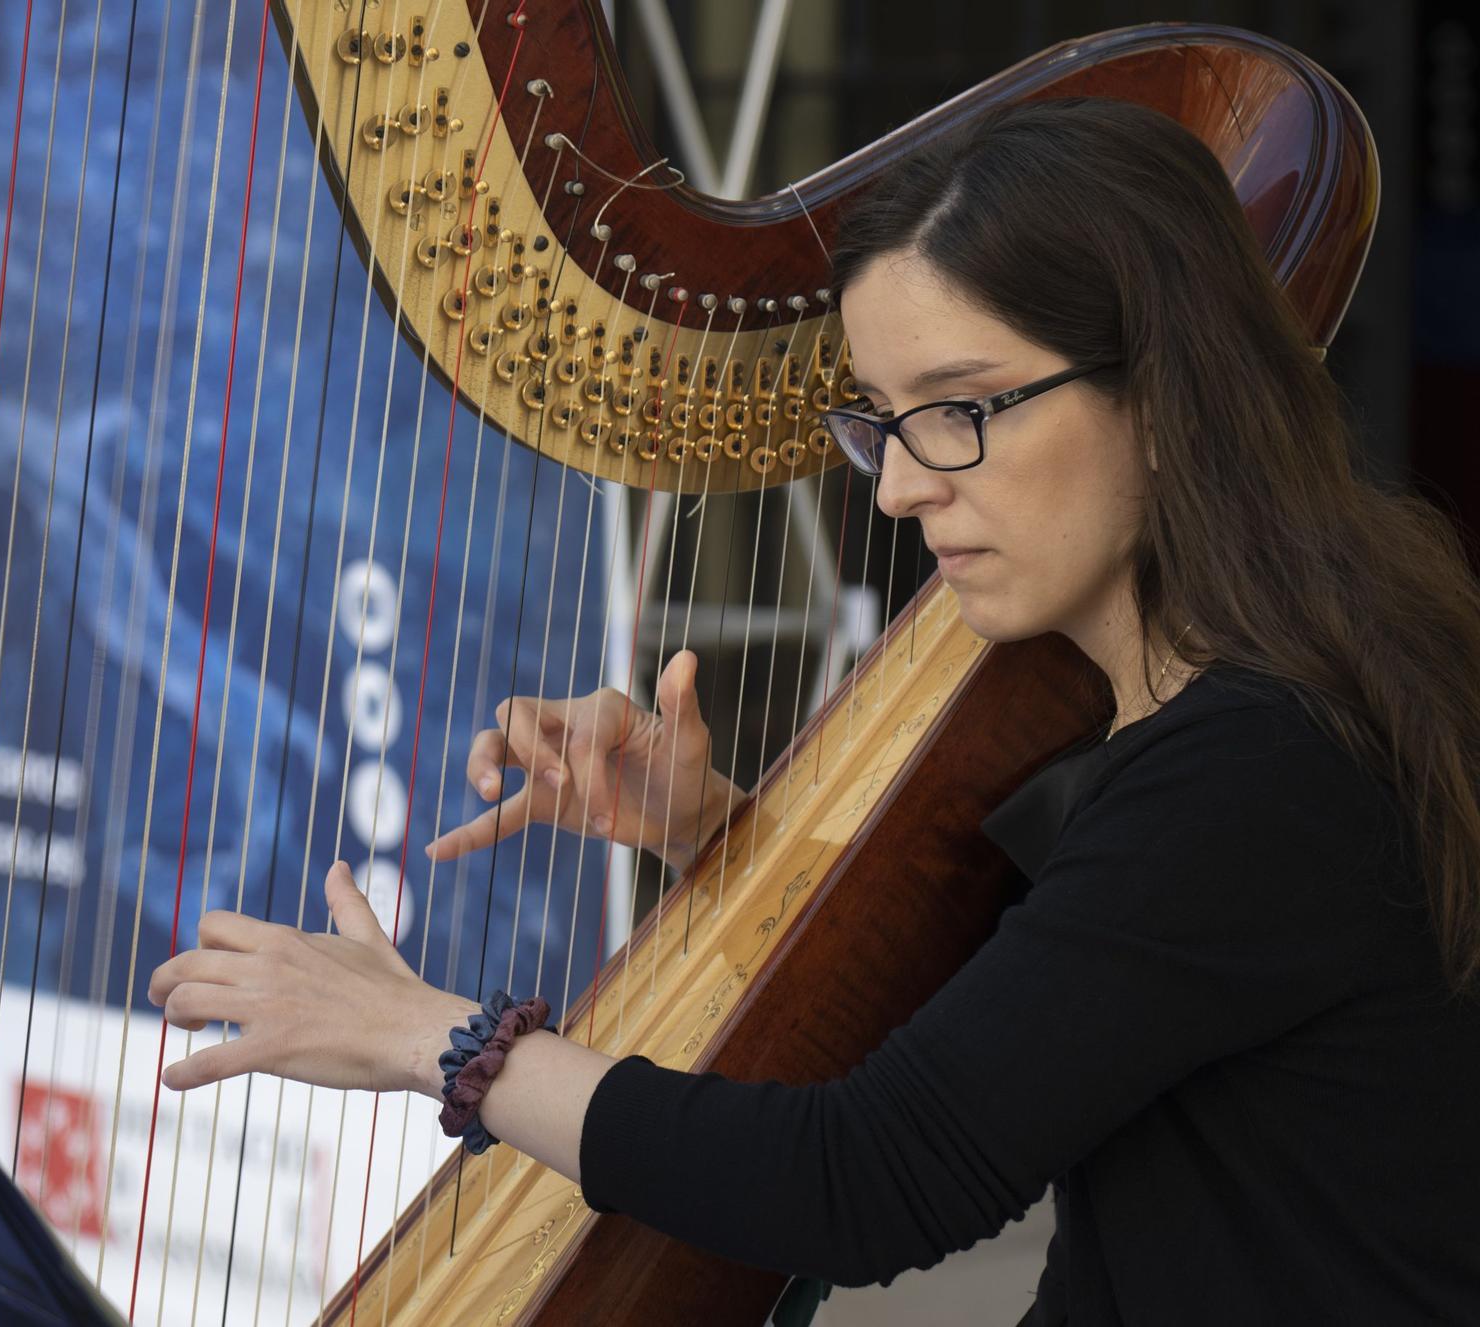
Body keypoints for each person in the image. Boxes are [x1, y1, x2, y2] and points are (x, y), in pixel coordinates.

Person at [147, 97, 1480, 1322]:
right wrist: (714, 832)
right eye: (880, 420)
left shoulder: (1254, 767)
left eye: (957, 411)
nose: (899, 489)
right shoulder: (1277, 688)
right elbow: (1045, 1030)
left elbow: (868, 1182)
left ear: (1161, 391)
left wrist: (435, 1039)